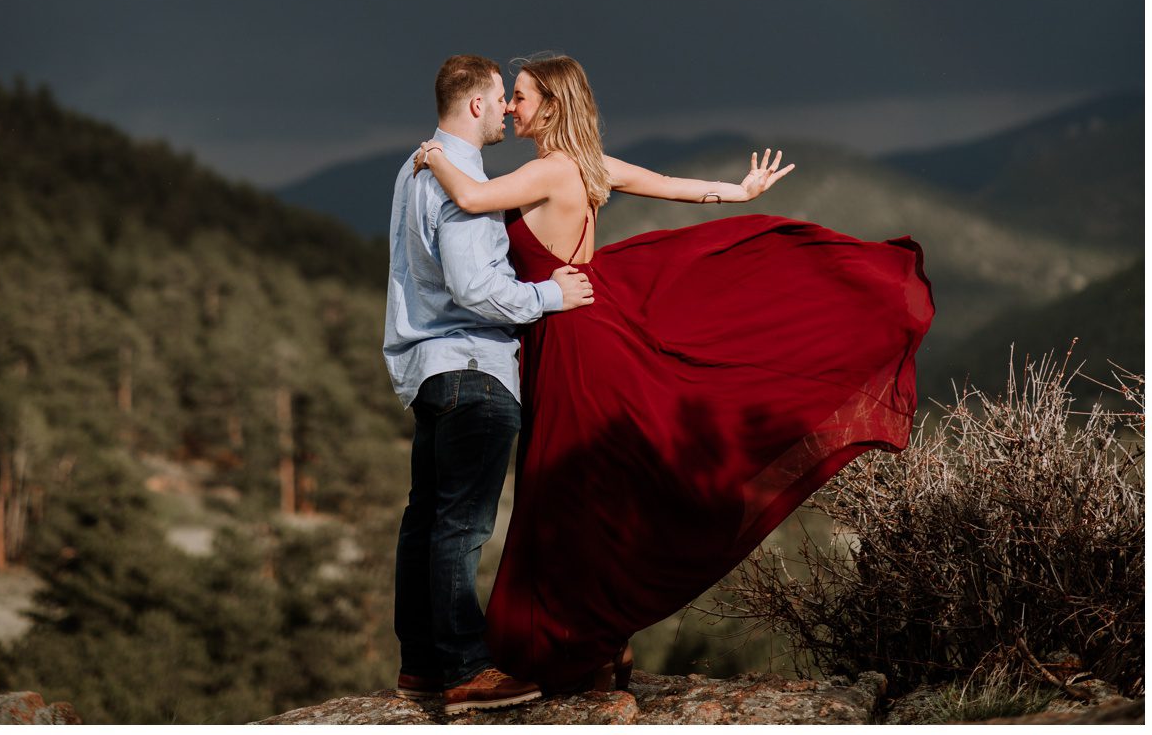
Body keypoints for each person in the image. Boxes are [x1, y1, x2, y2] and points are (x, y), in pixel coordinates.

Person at [415, 52, 935, 694]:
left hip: (572, 342)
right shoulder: (590, 165)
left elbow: (470, 195)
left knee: (563, 492)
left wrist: (435, 156)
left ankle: (574, 645)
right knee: (589, 491)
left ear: (551, 104)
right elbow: (673, 185)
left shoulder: (545, 170)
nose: (512, 107)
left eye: (521, 96)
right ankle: (598, 642)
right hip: (584, 330)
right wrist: (737, 192)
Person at [383, 53, 595, 716]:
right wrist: (550, 296)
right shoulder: (462, 175)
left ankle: (420, 666)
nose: (506, 107)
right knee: (460, 527)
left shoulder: (412, 169)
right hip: (475, 370)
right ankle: (465, 670)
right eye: (501, 95)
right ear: (475, 105)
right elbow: (476, 287)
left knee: (424, 522)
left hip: (424, 370)